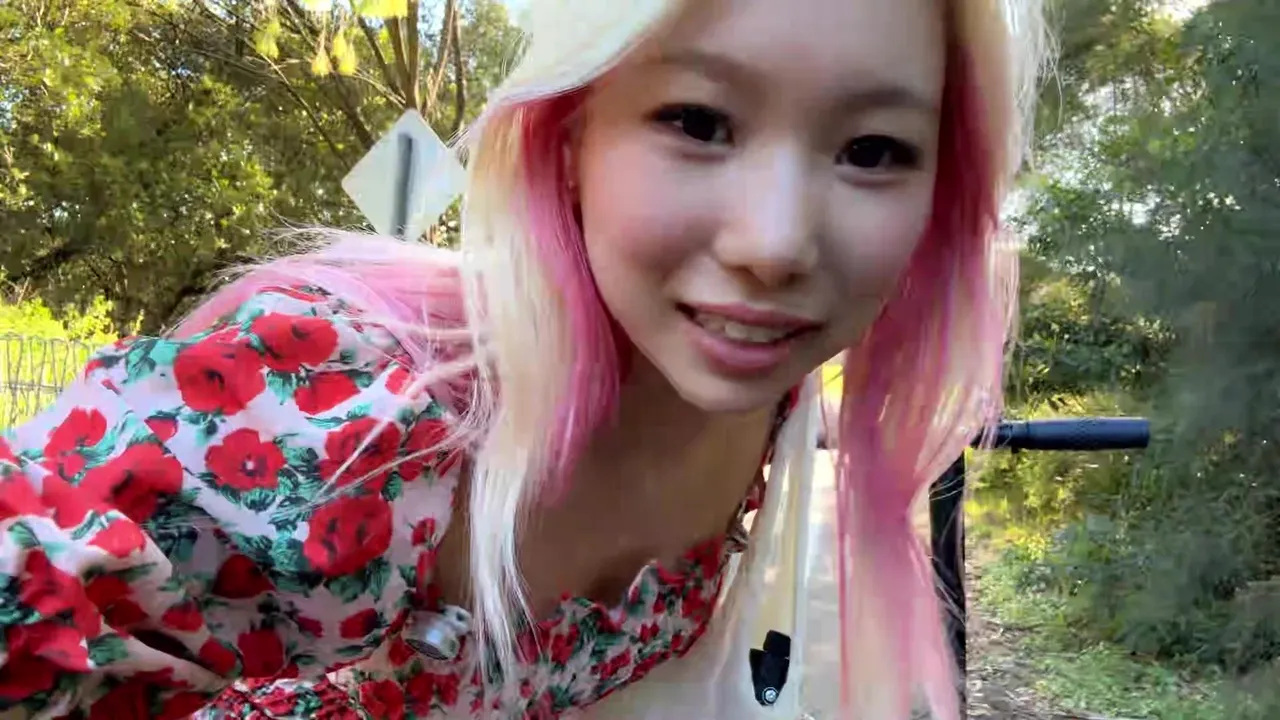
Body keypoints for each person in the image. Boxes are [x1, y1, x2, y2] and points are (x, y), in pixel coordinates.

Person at [0, 0, 1048, 717]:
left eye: (873, 150)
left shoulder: (759, 398)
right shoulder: (341, 402)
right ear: (567, 137)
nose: (775, 244)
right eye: (697, 121)